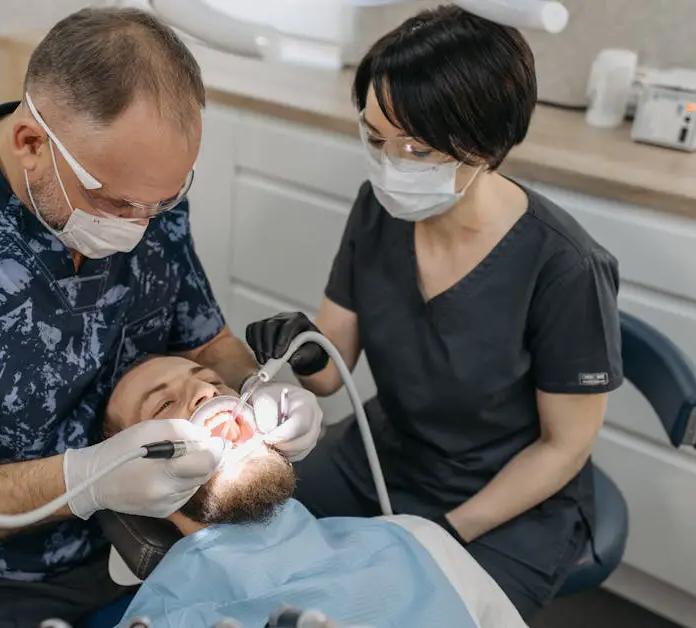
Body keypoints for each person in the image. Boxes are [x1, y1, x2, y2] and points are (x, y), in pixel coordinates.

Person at [0, 8, 322, 627]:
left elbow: (205, 343)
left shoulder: (143, 196)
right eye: (115, 204)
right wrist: (82, 482)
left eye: (165, 202)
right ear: (31, 143)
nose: (138, 227)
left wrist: (264, 392)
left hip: (149, 533)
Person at [245, 6, 622, 620]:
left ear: (486, 147)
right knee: (246, 534)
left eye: (416, 148)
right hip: (385, 458)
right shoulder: (378, 210)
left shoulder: (565, 266)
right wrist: (304, 347)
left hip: (506, 502)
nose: (389, 164)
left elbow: (563, 448)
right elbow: (332, 373)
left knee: (409, 608)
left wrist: (444, 531)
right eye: (374, 138)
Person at [100, 355, 527, 628]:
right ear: (138, 483)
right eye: (162, 406)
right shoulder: (165, 621)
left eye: (213, 381)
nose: (207, 392)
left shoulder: (414, 540)